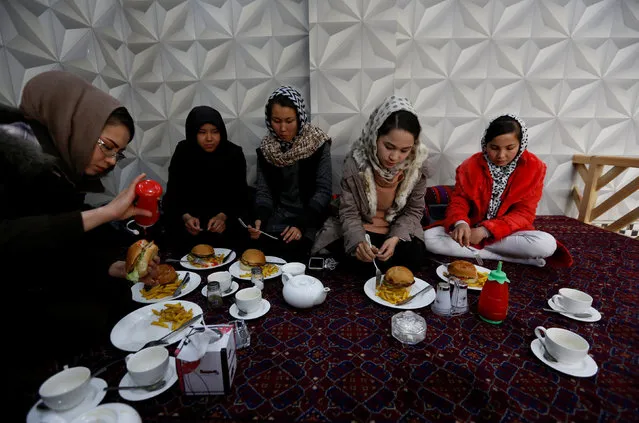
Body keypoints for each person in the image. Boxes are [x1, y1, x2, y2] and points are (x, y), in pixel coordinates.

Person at [0, 70, 154, 414]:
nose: (112, 161)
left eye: (119, 153)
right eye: (108, 147)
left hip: (40, 293)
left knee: (119, 294)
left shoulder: (59, 170)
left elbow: (63, 251)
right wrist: (107, 213)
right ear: (74, 124)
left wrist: (110, 268)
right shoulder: (10, 158)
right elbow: (15, 239)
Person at [311, 96, 429, 274]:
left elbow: (413, 211)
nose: (395, 157)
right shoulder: (356, 162)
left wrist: (396, 237)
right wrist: (358, 242)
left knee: (413, 256)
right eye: (388, 146)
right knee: (351, 251)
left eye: (404, 150)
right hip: (361, 227)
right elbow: (348, 211)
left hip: (395, 228)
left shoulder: (417, 167)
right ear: (375, 136)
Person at [423, 114, 557, 267]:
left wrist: (486, 231)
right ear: (485, 145)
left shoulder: (534, 168)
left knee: (546, 244)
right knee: (429, 239)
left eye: (510, 148)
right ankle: (514, 258)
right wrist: (461, 223)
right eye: (494, 148)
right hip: (471, 229)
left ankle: (477, 250)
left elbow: (524, 213)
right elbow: (459, 200)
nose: (501, 155)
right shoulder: (469, 166)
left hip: (508, 233)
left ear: (521, 144)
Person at [247, 86, 332, 262]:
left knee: (294, 254)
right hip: (278, 216)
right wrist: (260, 219)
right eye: (276, 120)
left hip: (309, 216)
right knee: (259, 252)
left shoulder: (317, 143)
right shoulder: (266, 149)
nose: (283, 128)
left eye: (289, 120)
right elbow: (264, 191)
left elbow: (323, 191)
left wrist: (301, 224)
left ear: (300, 118)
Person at [161, 105, 249, 253]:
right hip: (189, 227)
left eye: (215, 132)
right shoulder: (183, 152)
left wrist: (223, 217)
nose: (209, 138)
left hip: (225, 225)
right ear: (193, 133)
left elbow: (240, 195)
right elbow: (173, 194)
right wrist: (186, 217)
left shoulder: (233, 154)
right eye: (202, 132)